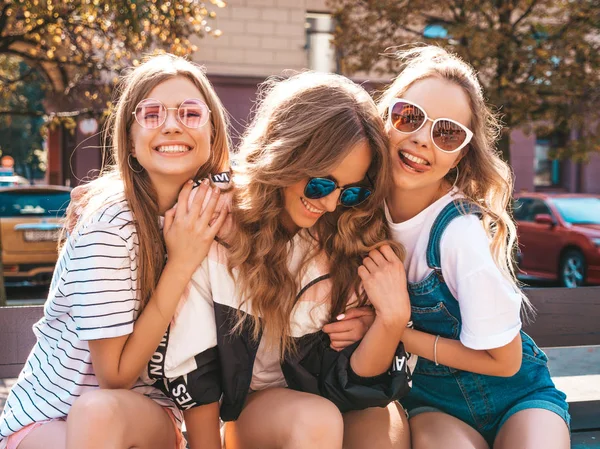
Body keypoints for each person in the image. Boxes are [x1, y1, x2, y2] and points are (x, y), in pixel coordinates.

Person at [148, 71, 414, 449]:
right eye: (319, 184)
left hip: (334, 401)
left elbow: (356, 385)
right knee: (315, 419)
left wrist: (390, 322)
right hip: (253, 416)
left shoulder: (351, 232)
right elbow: (195, 370)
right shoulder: (217, 222)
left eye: (350, 191)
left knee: (383, 424)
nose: (330, 203)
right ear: (286, 155)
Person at [0, 54, 230, 449]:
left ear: (213, 132)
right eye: (152, 113)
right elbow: (116, 375)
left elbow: (269, 177)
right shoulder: (109, 228)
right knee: (99, 412)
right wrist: (182, 261)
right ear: (129, 137)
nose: (172, 124)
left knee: (103, 415)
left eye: (190, 113)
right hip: (48, 418)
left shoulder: (211, 209)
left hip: (145, 421)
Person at [376, 45, 569, 449]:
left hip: (518, 397)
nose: (421, 139)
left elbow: (505, 361)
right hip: (432, 405)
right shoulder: (361, 216)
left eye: (446, 132)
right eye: (408, 116)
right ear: (385, 119)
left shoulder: (461, 235)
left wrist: (396, 332)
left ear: (461, 154)